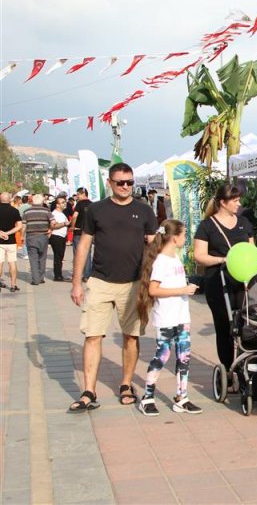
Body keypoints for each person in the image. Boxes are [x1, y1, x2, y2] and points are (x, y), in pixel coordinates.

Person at [68, 163, 157, 413]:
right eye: (121, 183)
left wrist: (156, 282)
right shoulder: (96, 210)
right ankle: (88, 391)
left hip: (134, 284)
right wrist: (77, 283)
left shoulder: (144, 210)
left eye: (130, 182)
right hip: (100, 282)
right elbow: (83, 246)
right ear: (110, 183)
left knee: (131, 336)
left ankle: (126, 384)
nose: (126, 187)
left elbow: (154, 246)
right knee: (92, 335)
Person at [193, 183, 257, 388]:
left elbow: (251, 249)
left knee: (246, 324)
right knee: (225, 326)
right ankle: (228, 367)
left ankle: (246, 364)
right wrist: (223, 260)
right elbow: (199, 256)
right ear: (222, 203)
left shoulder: (243, 222)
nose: (239, 203)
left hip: (244, 282)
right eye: (235, 200)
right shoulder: (207, 226)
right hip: (219, 282)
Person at [136, 219, 202, 416]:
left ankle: (182, 397)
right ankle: (148, 397)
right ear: (174, 237)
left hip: (182, 316)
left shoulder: (175, 258)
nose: (185, 238)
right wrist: (183, 289)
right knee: (162, 355)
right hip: (166, 316)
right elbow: (154, 289)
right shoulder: (161, 261)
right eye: (183, 235)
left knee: (184, 357)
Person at [22, 193, 55, 286]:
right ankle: (41, 278)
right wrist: (50, 230)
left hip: (31, 237)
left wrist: (22, 236)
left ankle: (35, 279)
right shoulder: (47, 211)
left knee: (33, 259)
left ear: (32, 201)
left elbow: (24, 225)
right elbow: (53, 222)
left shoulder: (27, 212)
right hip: (43, 237)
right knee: (42, 258)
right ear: (42, 202)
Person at [0, 192, 23, 293]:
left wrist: (1, 233)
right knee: (12, 262)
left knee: (0, 263)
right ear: (10, 199)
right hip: (11, 241)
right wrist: (7, 233)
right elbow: (19, 226)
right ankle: (13, 285)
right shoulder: (14, 211)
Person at [70, 187, 93, 282]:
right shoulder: (92, 204)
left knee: (77, 254)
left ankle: (78, 274)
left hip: (78, 231)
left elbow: (75, 216)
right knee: (87, 254)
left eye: (78, 195)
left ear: (83, 194)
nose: (77, 197)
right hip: (88, 233)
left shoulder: (79, 204)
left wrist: (72, 225)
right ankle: (87, 275)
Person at [49, 196, 71, 281]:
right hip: (56, 236)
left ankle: (59, 274)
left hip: (62, 236)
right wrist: (64, 224)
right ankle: (57, 275)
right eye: (62, 202)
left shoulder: (62, 214)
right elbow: (53, 226)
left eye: (64, 202)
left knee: (60, 256)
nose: (64, 203)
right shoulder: (54, 214)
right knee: (58, 256)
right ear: (57, 205)